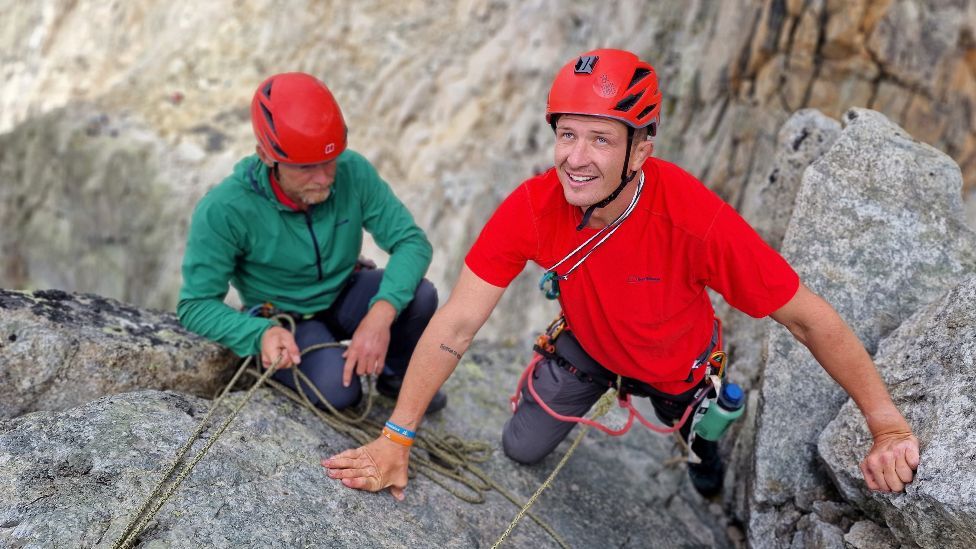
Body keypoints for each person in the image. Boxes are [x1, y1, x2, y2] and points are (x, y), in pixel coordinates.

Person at [322, 49, 919, 500]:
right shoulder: (533, 207)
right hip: (588, 343)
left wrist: (886, 424)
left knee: (698, 441)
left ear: (641, 149)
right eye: (567, 135)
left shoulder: (694, 220)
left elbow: (809, 318)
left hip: (676, 362)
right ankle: (604, 388)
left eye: (601, 139)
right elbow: (457, 319)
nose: (576, 158)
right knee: (520, 448)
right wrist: (397, 437)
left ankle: (703, 448)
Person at [177, 72, 446, 414]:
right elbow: (196, 304)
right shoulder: (226, 209)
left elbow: (411, 242)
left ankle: (395, 377)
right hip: (287, 319)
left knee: (420, 297)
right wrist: (258, 334)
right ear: (266, 155)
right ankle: (305, 362)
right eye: (305, 167)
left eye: (329, 161)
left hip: (344, 293)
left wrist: (380, 315)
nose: (323, 178)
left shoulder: (352, 171)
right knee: (340, 391)